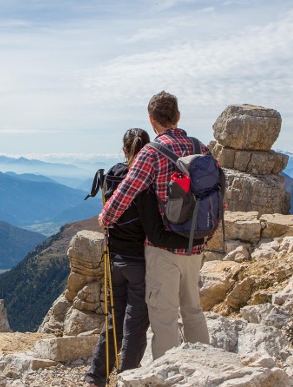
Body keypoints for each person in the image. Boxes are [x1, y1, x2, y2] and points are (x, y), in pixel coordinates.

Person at [98, 91, 211, 360]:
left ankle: (166, 375)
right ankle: (206, 366)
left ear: (152, 121)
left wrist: (106, 217)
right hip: (195, 245)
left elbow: (127, 191)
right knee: (193, 309)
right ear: (178, 117)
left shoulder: (151, 153)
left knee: (164, 316)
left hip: (163, 249)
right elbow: (217, 195)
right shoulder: (201, 147)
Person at [85, 128, 200, 387]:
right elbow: (155, 232)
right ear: (147, 150)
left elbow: (109, 214)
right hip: (139, 263)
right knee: (135, 325)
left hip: (114, 259)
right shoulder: (144, 184)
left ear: (124, 150)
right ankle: (126, 378)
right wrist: (191, 241)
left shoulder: (112, 175)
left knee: (113, 318)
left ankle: (95, 377)